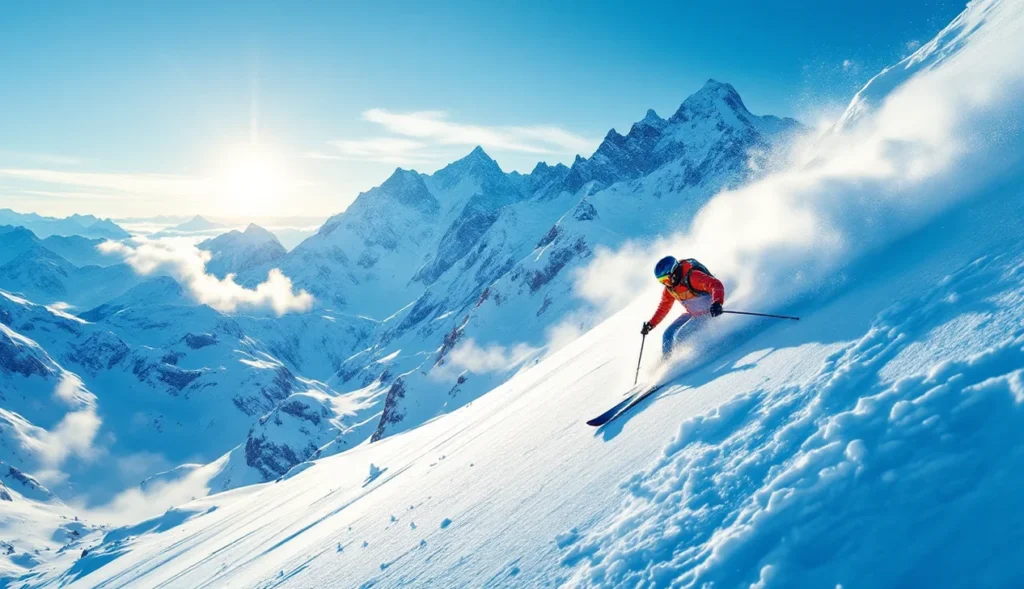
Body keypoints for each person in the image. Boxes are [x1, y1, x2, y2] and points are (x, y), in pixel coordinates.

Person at [641, 256, 725, 356]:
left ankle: (681, 359)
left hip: (707, 312)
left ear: (674, 272)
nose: (666, 284)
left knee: (681, 336)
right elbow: (663, 308)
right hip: (692, 313)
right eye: (662, 281)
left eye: (666, 279)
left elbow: (715, 284)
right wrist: (651, 324)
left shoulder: (693, 277)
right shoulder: (670, 289)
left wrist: (717, 303)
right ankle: (667, 360)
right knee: (667, 335)